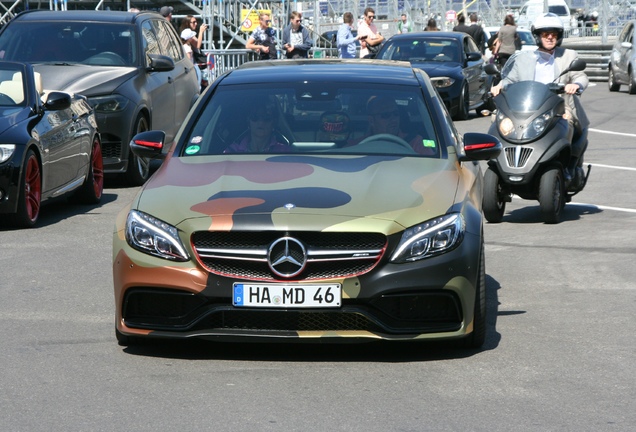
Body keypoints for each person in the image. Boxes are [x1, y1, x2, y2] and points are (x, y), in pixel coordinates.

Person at [491, 13, 589, 179]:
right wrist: (498, 86)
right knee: (497, 119)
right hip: (528, 106)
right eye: (545, 34)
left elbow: (581, 76)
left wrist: (576, 85)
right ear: (537, 36)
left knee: (568, 121)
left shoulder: (568, 56)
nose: (550, 37)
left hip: (559, 106)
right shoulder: (524, 58)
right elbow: (509, 79)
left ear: (559, 36)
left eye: (554, 34)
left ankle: (567, 165)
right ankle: (497, 161)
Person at [349, 96, 435, 156]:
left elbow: (433, 167)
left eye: (396, 114)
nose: (393, 119)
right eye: (386, 115)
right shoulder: (356, 145)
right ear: (371, 120)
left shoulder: (416, 143)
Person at [224, 104, 290, 153]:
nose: (261, 122)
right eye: (255, 117)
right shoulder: (231, 151)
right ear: (248, 121)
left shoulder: (285, 151)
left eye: (266, 118)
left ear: (274, 123)